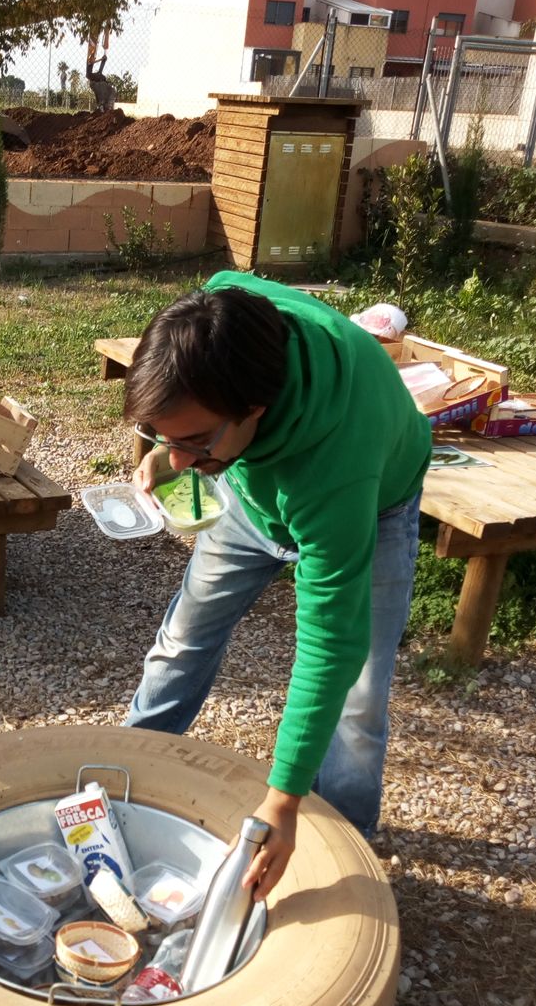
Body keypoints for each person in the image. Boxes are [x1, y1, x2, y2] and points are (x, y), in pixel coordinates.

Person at [124, 272, 431, 900]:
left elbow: (329, 647)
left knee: (358, 697)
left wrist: (283, 799)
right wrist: (168, 447)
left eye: (193, 441)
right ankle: (126, 775)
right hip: (249, 493)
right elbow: (189, 416)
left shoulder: (337, 470)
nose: (178, 460)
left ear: (256, 410)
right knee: (183, 640)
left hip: (372, 504)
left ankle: (338, 849)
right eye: (167, 437)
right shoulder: (221, 314)